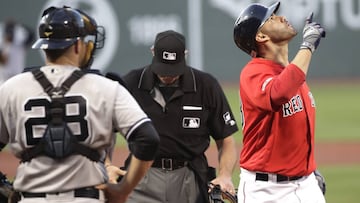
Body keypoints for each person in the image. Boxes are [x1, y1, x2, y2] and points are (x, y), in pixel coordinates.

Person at [0, 6, 159, 203]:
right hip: (86, 198)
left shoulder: (11, 88)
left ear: (44, 46)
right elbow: (148, 138)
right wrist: (123, 189)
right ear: (77, 45)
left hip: (32, 198)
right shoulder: (105, 87)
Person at [106, 30, 239, 203]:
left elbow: (226, 140)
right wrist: (107, 165)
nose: (167, 75)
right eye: (163, 69)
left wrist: (225, 175)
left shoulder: (206, 86)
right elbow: (106, 129)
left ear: (185, 55)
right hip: (142, 176)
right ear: (153, 52)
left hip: (189, 178)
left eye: (173, 70)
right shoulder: (132, 83)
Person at [233, 1, 326, 203]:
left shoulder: (290, 73)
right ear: (261, 36)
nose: (281, 17)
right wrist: (308, 45)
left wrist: (306, 170)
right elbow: (278, 94)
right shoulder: (253, 73)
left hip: (305, 184)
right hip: (266, 190)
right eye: (272, 17)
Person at [0, 19, 34, 85]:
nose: (9, 36)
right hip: (4, 78)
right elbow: (3, 60)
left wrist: (19, 26)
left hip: (17, 76)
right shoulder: (3, 45)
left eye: (10, 33)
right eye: (7, 34)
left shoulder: (19, 44)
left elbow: (32, 34)